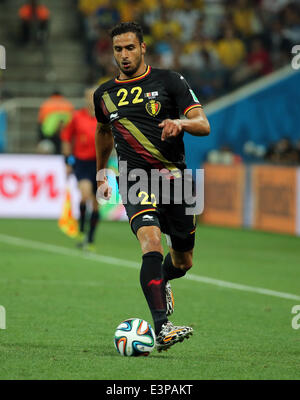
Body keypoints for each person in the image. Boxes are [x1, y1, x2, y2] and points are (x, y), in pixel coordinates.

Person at [93, 22, 210, 352]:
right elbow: (103, 133)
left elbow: (203, 124)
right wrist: (102, 173)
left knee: (184, 261)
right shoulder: (104, 94)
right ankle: (162, 328)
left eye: (130, 48)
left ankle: (165, 280)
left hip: (176, 180)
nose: (124, 55)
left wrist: (181, 122)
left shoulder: (170, 81)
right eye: (118, 49)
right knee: (151, 239)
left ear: (142, 48)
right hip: (134, 179)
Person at [60, 87, 100, 251]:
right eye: (89, 97)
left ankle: (90, 238)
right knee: (85, 195)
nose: (91, 100)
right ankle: (82, 231)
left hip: (100, 163)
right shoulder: (77, 117)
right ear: (85, 99)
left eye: (94, 97)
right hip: (82, 163)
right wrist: (68, 162)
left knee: (96, 204)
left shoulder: (105, 118)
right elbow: (66, 139)